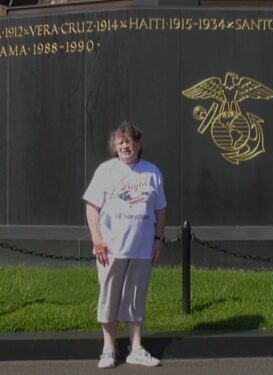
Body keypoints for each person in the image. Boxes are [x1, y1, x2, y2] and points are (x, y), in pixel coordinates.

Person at [83, 121, 166, 368]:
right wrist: (97, 239)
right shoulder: (105, 171)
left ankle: (136, 348)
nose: (125, 146)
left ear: (138, 145)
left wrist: (158, 239)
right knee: (109, 297)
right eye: (120, 142)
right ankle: (109, 349)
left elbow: (160, 209)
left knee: (135, 298)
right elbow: (91, 207)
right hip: (111, 249)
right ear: (115, 146)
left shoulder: (152, 172)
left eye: (129, 141)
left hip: (141, 248)